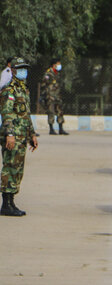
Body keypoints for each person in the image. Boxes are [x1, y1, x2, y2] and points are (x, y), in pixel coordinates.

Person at [0, 56, 38, 216]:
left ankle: (12, 202)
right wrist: (9, 134)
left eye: (25, 68)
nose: (24, 71)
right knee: (10, 167)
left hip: (22, 137)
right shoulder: (9, 90)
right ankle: (6, 204)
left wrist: (32, 134)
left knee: (18, 169)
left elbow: (26, 115)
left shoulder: (23, 89)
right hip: (13, 136)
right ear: (13, 70)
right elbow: (7, 113)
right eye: (21, 68)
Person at [41, 58, 68, 135]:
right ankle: (51, 129)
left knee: (60, 112)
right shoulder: (48, 74)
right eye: (58, 64)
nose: (59, 65)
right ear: (54, 65)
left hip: (57, 95)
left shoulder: (57, 73)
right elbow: (43, 84)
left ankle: (61, 129)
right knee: (51, 112)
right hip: (50, 96)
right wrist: (46, 95)